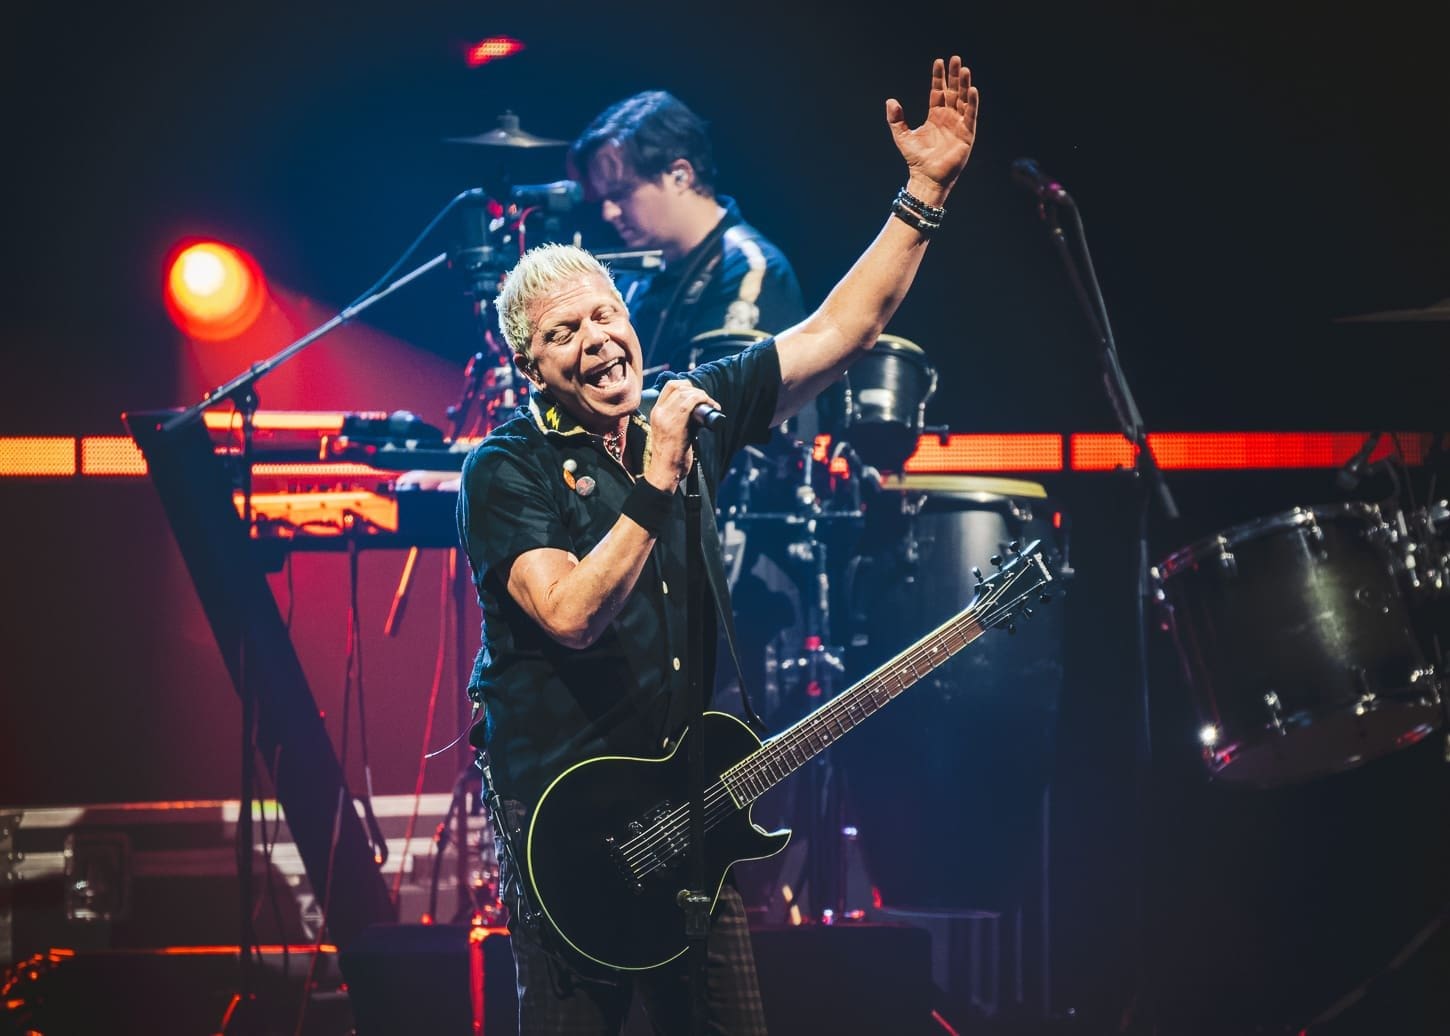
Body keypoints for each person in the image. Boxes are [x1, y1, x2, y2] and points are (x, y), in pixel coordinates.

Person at [457, 54, 979, 1035]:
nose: (597, 340)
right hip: (564, 826)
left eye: (605, 316)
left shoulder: (683, 407)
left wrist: (924, 193)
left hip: (683, 811)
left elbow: (842, 328)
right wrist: (657, 479)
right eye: (564, 333)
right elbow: (570, 614)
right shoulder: (506, 469)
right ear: (530, 366)